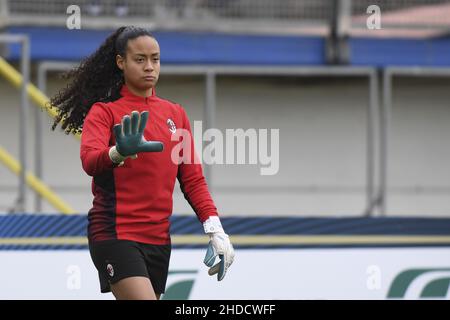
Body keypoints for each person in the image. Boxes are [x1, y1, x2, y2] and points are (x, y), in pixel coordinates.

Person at [50, 26, 235, 300]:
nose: (150, 66)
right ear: (120, 62)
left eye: (155, 59)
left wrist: (215, 230)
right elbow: (90, 161)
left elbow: (193, 180)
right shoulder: (104, 112)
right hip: (115, 233)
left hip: (159, 240)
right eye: (140, 59)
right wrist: (118, 153)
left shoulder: (176, 114)